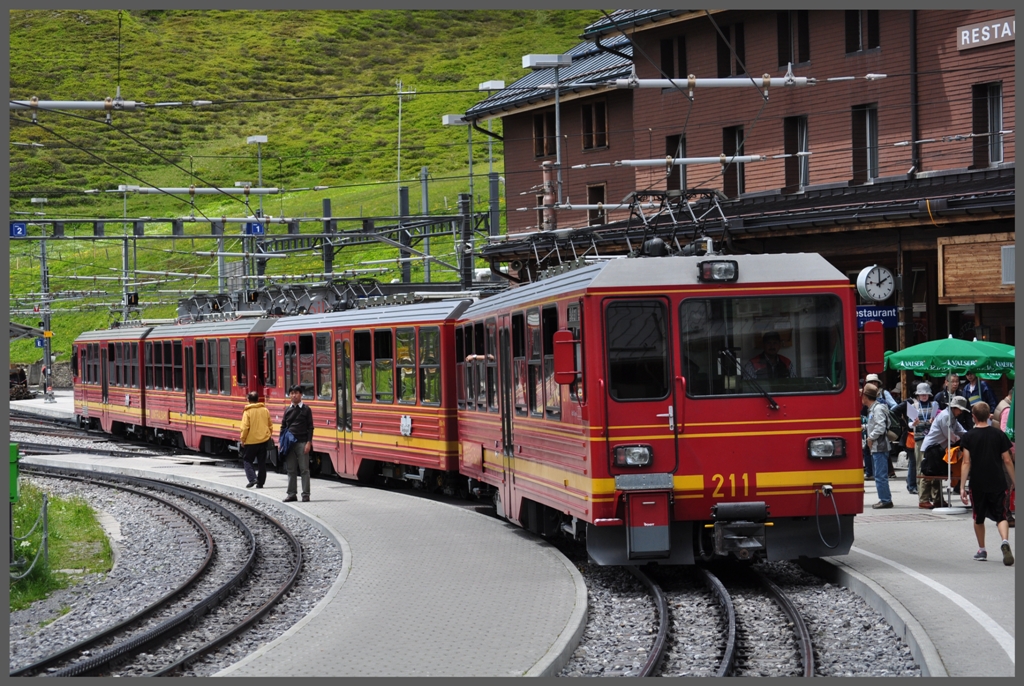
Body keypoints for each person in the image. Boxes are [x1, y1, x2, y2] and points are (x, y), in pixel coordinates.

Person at [959, 402, 1015, 565]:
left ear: (973, 417)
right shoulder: (998, 435)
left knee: (978, 517)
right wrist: (1015, 480)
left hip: (978, 483)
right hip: (998, 481)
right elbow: (1007, 460)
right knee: (1001, 516)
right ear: (989, 415)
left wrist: (962, 486)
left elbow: (966, 462)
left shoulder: (968, 436)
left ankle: (982, 549)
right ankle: (1005, 541)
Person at [919, 396, 969, 508]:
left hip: (939, 448)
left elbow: (960, 431)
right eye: (960, 409)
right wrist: (962, 440)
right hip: (930, 448)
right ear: (954, 407)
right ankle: (923, 500)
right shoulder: (945, 416)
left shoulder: (953, 417)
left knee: (938, 474)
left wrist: (970, 435)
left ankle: (938, 500)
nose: (961, 412)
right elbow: (951, 436)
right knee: (927, 473)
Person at [280, 384, 314, 503]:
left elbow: (310, 427)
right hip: (289, 443)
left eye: (296, 393)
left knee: (304, 469)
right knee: (291, 469)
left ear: (301, 395)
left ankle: (305, 494)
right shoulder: (287, 410)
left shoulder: (306, 409)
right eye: (292, 393)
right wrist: (281, 442)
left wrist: (309, 442)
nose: (294, 395)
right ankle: (291, 494)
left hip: (302, 442)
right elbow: (283, 427)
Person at [908, 382, 940, 500]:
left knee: (934, 466)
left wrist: (934, 421)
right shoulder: (914, 406)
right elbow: (909, 424)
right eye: (921, 394)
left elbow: (940, 419)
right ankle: (923, 494)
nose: (924, 396)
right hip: (920, 439)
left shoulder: (934, 405)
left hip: (933, 439)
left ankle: (934, 494)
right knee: (921, 467)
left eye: (926, 394)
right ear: (917, 395)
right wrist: (914, 424)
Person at [863, 385, 893, 509]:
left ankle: (885, 500)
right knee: (879, 474)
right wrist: (865, 427)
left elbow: (881, 426)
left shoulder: (877, 409)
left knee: (880, 475)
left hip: (880, 446)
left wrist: (871, 437)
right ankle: (885, 498)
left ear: (865, 397)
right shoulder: (874, 408)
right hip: (877, 446)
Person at [239, 391, 273, 489]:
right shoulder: (265, 410)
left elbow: (245, 427)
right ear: (258, 399)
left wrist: (243, 439)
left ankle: (252, 478)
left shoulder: (247, 412)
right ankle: (260, 483)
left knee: (247, 460)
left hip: (251, 442)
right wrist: (268, 435)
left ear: (248, 400)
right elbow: (270, 425)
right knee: (262, 462)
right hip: (263, 441)